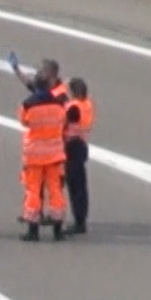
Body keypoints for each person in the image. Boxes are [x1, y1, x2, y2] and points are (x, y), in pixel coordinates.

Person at [18, 70, 70, 242]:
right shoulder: (58, 103)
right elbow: (63, 120)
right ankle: (58, 229)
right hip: (54, 153)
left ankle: (33, 230)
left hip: (34, 154)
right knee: (55, 190)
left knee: (33, 190)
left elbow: (24, 121)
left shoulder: (28, 104)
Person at [62, 76, 93, 235]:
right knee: (80, 185)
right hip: (82, 144)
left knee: (74, 186)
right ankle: (81, 219)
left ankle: (78, 221)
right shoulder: (86, 104)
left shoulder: (72, 107)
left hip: (72, 145)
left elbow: (64, 122)